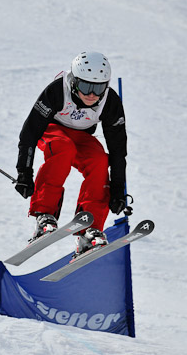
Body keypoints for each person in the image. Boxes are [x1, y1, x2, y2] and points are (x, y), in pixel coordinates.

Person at [14, 51, 128, 256]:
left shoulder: (109, 102)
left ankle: (89, 231)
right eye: (86, 86)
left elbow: (118, 151)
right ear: (74, 82)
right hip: (51, 130)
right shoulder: (58, 91)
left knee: (99, 159)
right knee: (63, 148)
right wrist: (24, 172)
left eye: (99, 87)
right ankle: (45, 216)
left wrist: (118, 189)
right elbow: (30, 132)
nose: (92, 94)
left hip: (81, 137)